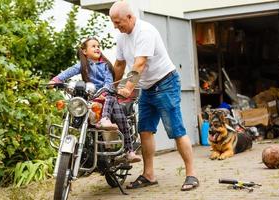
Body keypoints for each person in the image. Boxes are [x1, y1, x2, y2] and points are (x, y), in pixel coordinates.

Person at [109, 1, 199, 191]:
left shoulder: (145, 31)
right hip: (148, 88)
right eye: (113, 22)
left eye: (118, 22)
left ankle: (192, 174)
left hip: (166, 83)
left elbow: (139, 64)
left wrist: (128, 86)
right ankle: (149, 175)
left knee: (176, 129)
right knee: (145, 130)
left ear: (130, 17)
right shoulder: (122, 38)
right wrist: (111, 86)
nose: (115, 26)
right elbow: (119, 65)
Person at [49, 37, 141, 163]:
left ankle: (129, 150)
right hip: (91, 99)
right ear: (84, 51)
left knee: (115, 107)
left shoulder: (105, 66)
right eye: (93, 46)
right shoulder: (83, 65)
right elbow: (68, 72)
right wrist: (56, 81)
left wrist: (104, 91)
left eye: (98, 46)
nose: (97, 48)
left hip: (105, 97)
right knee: (76, 105)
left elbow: (109, 83)